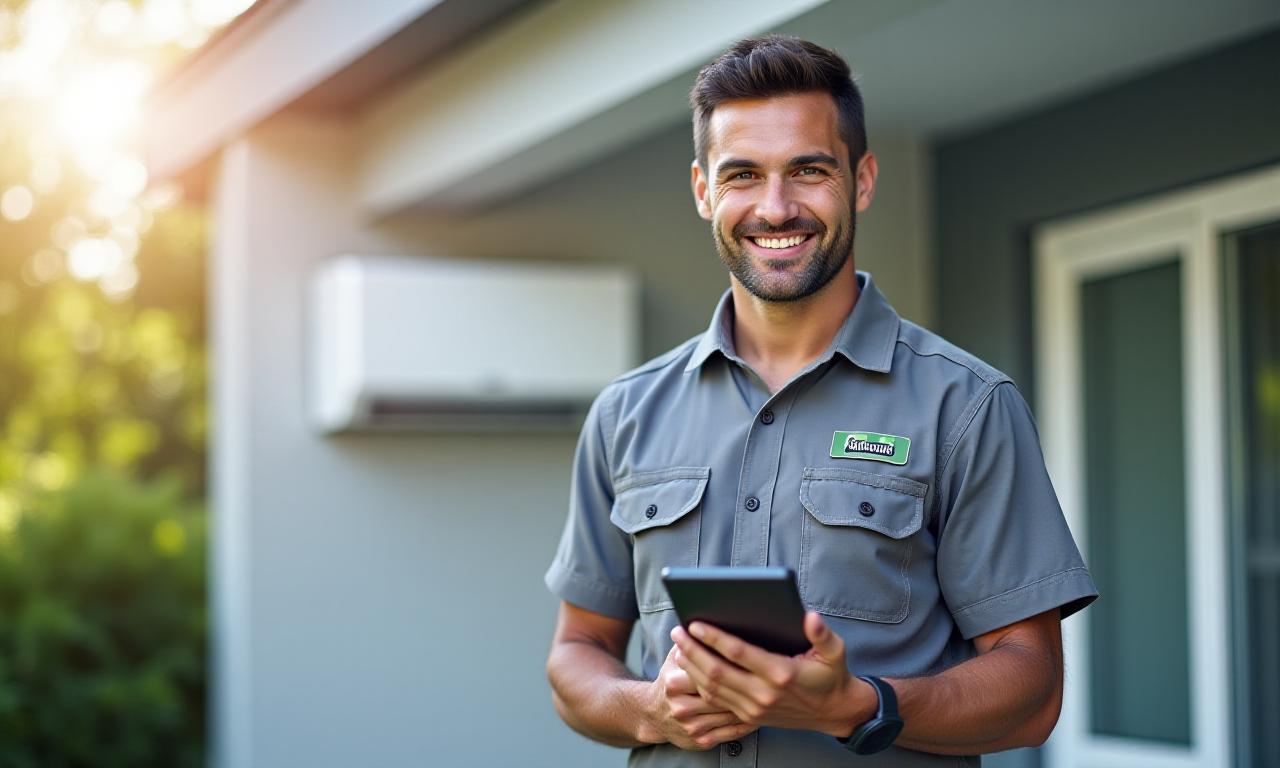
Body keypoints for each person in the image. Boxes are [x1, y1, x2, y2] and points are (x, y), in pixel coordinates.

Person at [544, 35, 1096, 767]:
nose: (775, 209)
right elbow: (577, 651)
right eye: (743, 175)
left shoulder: (967, 405)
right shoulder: (625, 413)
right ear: (704, 191)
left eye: (808, 170)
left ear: (861, 180)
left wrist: (859, 705)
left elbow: (1033, 689)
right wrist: (649, 709)